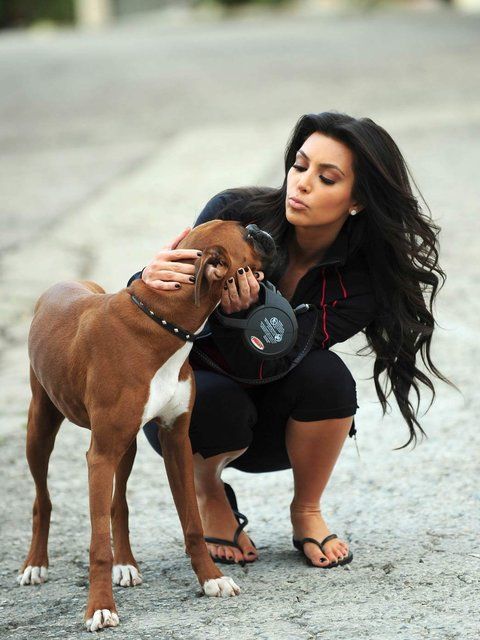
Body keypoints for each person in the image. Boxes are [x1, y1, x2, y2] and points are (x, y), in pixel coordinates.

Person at [129, 112, 451, 569]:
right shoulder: (233, 213)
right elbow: (156, 315)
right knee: (218, 398)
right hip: (192, 413)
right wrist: (147, 277)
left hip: (276, 430)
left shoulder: (363, 281)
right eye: (299, 166)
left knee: (330, 377)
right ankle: (209, 493)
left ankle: (307, 510)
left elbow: (283, 356)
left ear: (357, 200)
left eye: (326, 178)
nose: (301, 184)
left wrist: (245, 319)